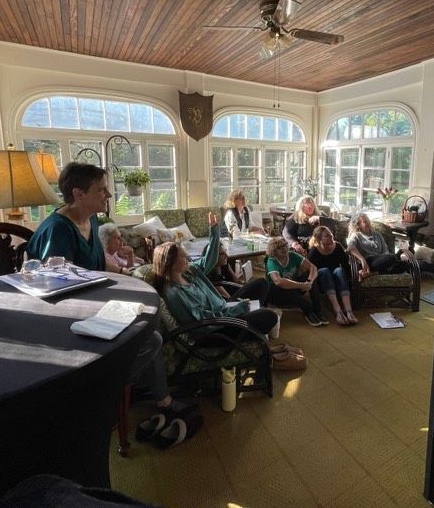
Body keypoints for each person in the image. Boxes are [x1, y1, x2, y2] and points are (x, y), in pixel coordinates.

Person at [27, 162, 196, 422]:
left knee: (148, 333)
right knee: (150, 341)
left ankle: (156, 398)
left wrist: (128, 273)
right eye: (101, 190)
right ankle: (101, 391)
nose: (108, 195)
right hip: (68, 320)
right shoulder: (58, 230)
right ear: (78, 194)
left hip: (95, 306)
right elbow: (56, 288)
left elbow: (100, 262)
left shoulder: (92, 219)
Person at [153, 212, 305, 370]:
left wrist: (214, 229)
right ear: (170, 263)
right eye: (183, 257)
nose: (187, 258)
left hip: (224, 309)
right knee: (269, 316)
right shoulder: (174, 293)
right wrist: (237, 310)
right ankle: (263, 346)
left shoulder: (189, 272)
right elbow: (202, 321)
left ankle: (257, 333)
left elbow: (209, 259)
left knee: (261, 284)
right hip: (215, 329)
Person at [265, 236, 326, 327]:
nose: (284, 249)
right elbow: (278, 281)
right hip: (278, 294)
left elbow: (313, 268)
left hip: (294, 289)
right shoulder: (272, 260)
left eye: (285, 245)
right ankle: (308, 310)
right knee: (280, 285)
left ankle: (317, 309)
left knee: (309, 274)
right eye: (280, 247)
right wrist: (301, 285)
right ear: (274, 250)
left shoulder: (292, 255)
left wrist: (309, 282)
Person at [307, 225, 356, 325]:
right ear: (319, 239)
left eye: (330, 234)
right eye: (327, 236)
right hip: (321, 280)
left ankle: (348, 310)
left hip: (337, 277)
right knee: (324, 271)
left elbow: (346, 266)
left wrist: (351, 280)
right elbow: (310, 271)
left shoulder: (337, 246)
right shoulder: (314, 251)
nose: (331, 236)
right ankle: (337, 311)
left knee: (339, 270)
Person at [347, 213, 414, 278]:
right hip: (369, 262)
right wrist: (362, 259)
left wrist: (387, 261)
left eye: (368, 220)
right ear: (358, 225)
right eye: (364, 222)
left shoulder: (377, 234)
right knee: (393, 257)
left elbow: (385, 252)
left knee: (405, 265)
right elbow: (350, 247)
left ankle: (371, 274)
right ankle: (394, 258)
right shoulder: (356, 235)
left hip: (381, 261)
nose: (368, 223)